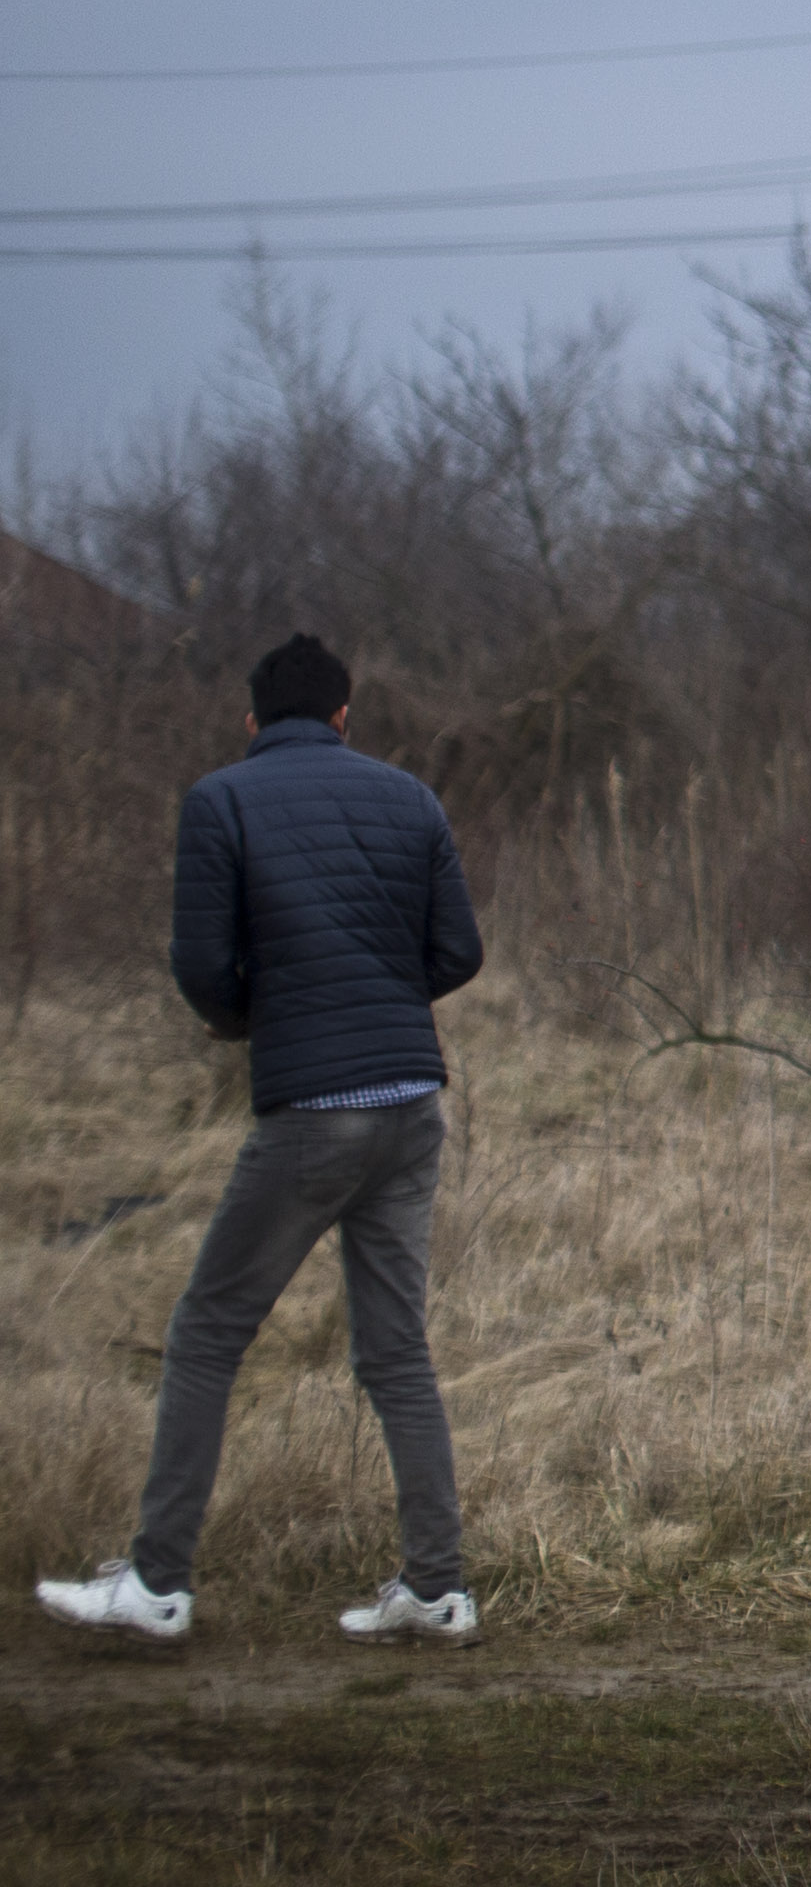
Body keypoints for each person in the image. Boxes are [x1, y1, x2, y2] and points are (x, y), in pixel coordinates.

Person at [38, 634, 485, 1648]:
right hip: (416, 1101)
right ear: (344, 716)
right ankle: (438, 1588)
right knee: (395, 1351)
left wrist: (250, 1019)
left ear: (251, 722)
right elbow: (459, 949)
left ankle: (155, 1586)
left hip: (314, 1110)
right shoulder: (411, 798)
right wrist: (375, 1004)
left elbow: (200, 963)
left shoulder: (220, 801)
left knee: (206, 1333)